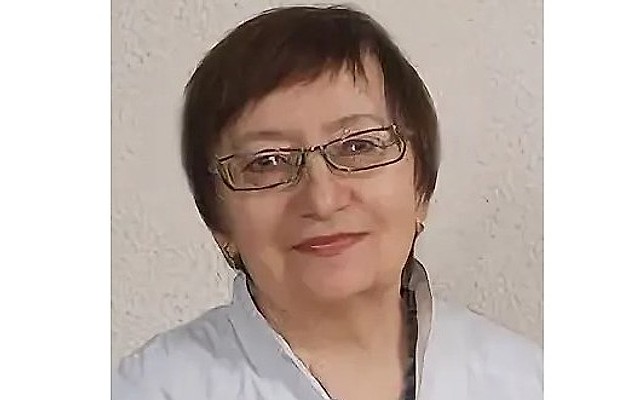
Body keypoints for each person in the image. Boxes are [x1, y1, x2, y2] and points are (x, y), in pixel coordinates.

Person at [112, 5, 542, 400]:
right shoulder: (149, 389)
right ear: (219, 222)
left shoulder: (527, 380)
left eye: (358, 147)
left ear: (421, 190)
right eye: (267, 162)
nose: (323, 199)